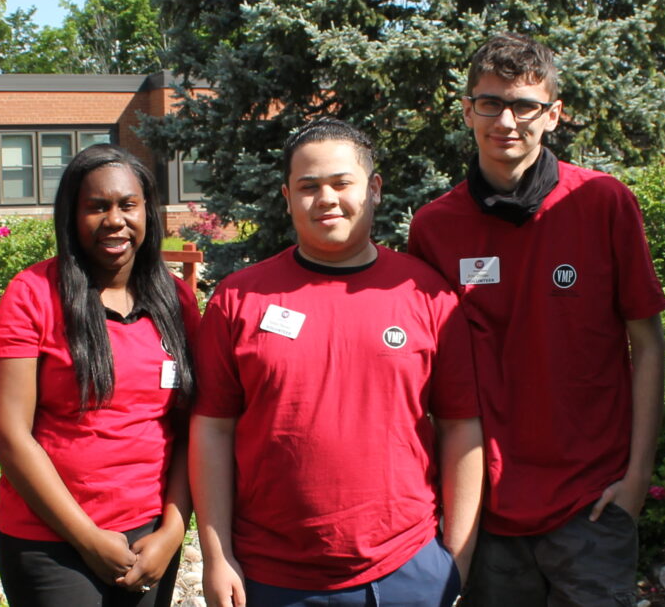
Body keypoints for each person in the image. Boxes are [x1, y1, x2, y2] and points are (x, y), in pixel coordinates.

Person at [407, 33, 665, 606]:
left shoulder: (603, 203)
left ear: (553, 114)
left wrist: (634, 480)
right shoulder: (434, 227)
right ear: (467, 109)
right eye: (490, 102)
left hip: (592, 506)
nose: (507, 119)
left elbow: (648, 344)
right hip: (487, 511)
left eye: (525, 105)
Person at [190, 119, 484, 607]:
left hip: (407, 571)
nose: (325, 198)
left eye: (341, 183)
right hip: (271, 577)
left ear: (373, 190)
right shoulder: (238, 299)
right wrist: (218, 556)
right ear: (287, 196)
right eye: (308, 186)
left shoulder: (426, 294)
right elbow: (212, 431)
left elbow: (461, 428)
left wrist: (456, 557)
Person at [0, 145, 198, 606]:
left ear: (148, 212)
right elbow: (8, 433)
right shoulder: (33, 295)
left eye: (127, 205)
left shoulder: (176, 301)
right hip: (51, 541)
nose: (114, 220)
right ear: (72, 215)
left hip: (148, 540)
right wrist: (87, 538)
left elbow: (189, 429)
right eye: (96, 207)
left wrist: (172, 532)